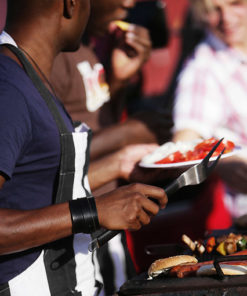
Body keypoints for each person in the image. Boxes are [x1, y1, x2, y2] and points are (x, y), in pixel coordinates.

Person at [0, 1, 168, 295]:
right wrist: (92, 211)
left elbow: (39, 190)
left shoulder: (27, 74)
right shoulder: (8, 86)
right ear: (71, 4)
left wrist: (118, 165)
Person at [173, 0, 247, 219]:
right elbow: (182, 147)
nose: (226, 18)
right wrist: (222, 163)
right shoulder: (203, 69)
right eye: (213, 10)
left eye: (235, 4)